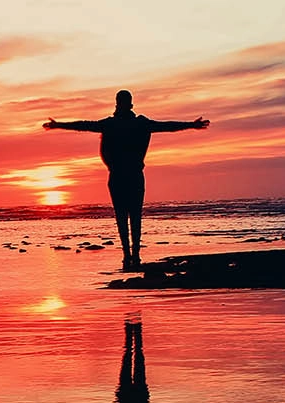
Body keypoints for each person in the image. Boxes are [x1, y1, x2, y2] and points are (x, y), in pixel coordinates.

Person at [43, 90, 209, 270]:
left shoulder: (115, 124)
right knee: (133, 216)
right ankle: (133, 253)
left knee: (124, 216)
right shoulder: (136, 124)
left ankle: (129, 254)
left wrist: (58, 125)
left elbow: (85, 125)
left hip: (120, 176)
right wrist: (191, 125)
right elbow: (166, 126)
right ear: (130, 104)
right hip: (132, 176)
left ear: (117, 104)